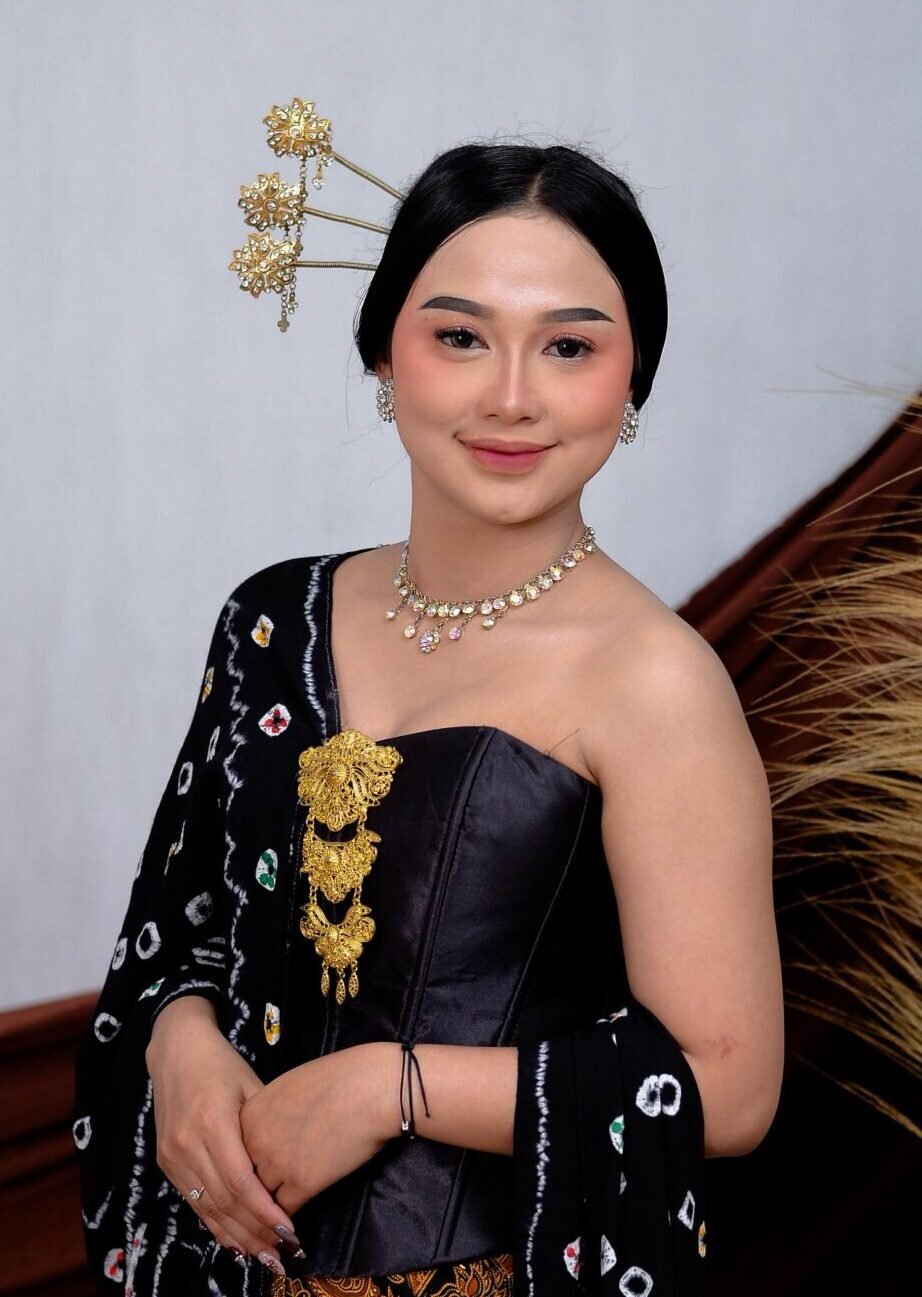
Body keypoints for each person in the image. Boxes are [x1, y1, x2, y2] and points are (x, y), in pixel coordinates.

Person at [74, 140, 784, 1297]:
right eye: (460, 337)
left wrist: (389, 1087)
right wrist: (179, 1038)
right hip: (219, 1266)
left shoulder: (654, 682)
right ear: (382, 353)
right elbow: (184, 929)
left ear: (633, 380)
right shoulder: (271, 617)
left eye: (568, 346)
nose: (510, 395)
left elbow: (729, 1085)